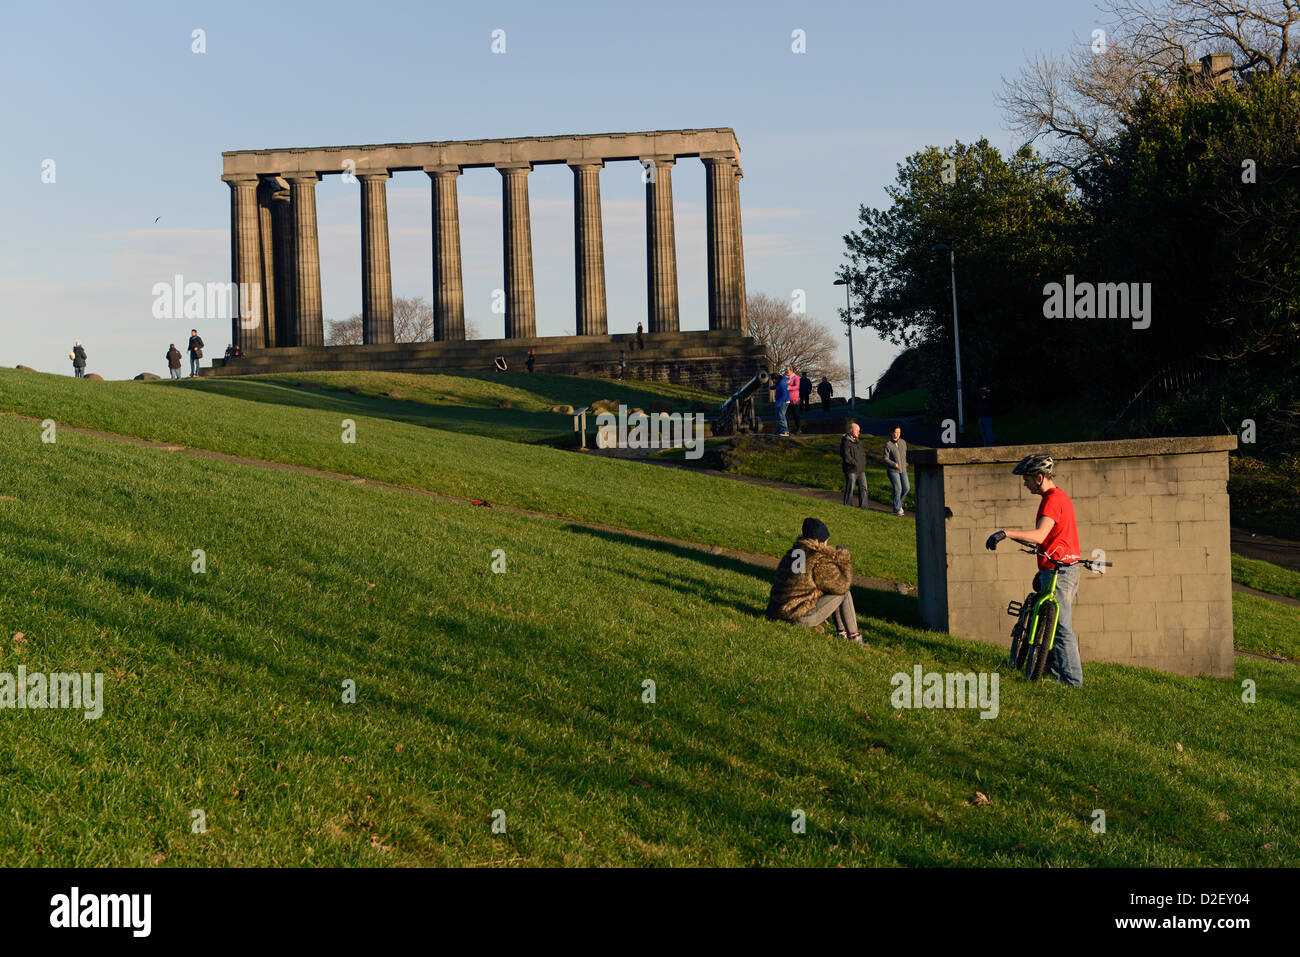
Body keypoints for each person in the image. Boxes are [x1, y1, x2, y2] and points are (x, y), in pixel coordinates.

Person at [985, 453, 1083, 687]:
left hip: (1060, 571)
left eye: (1027, 479)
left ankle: (1072, 681)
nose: (1024, 483)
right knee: (1051, 622)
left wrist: (1006, 533)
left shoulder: (1052, 500)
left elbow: (1039, 536)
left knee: (1060, 626)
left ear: (1039, 478)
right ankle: (1050, 671)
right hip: (1061, 567)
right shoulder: (1058, 497)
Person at [766, 517, 862, 644]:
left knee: (830, 589)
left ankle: (842, 633)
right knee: (843, 593)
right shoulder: (818, 559)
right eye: (827, 540)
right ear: (820, 541)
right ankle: (854, 637)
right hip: (797, 616)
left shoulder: (793, 553)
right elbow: (843, 585)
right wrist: (844, 559)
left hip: (777, 611)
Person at [839, 422, 868, 508]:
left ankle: (864, 507)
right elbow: (846, 456)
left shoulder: (858, 441)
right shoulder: (846, 442)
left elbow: (862, 454)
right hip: (851, 469)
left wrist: (863, 463)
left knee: (864, 488)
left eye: (859, 431)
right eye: (857, 430)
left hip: (861, 469)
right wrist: (855, 463)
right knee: (850, 488)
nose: (859, 432)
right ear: (851, 430)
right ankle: (848, 506)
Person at [883, 424, 909, 516]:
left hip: (903, 469)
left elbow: (906, 455)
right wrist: (894, 464)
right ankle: (896, 510)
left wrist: (906, 463)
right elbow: (885, 458)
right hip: (893, 470)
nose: (897, 434)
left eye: (899, 432)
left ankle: (898, 505)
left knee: (906, 488)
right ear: (892, 433)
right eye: (895, 432)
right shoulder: (888, 444)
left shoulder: (903, 442)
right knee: (898, 489)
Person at [773, 365, 792, 436]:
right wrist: (772, 387)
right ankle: (779, 430)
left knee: (781, 416)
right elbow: (777, 386)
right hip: (780, 401)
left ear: (776, 379)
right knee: (778, 416)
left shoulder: (782, 383)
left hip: (783, 402)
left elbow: (784, 395)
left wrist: (778, 403)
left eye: (773, 380)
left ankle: (785, 431)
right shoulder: (779, 381)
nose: (773, 381)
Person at [786, 368, 802, 434]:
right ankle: (786, 430)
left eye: (788, 370)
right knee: (785, 415)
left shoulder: (796, 378)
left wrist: (790, 387)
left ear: (792, 371)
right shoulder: (785, 378)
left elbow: (797, 386)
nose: (786, 371)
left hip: (794, 400)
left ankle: (798, 429)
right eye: (786, 370)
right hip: (786, 399)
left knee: (795, 415)